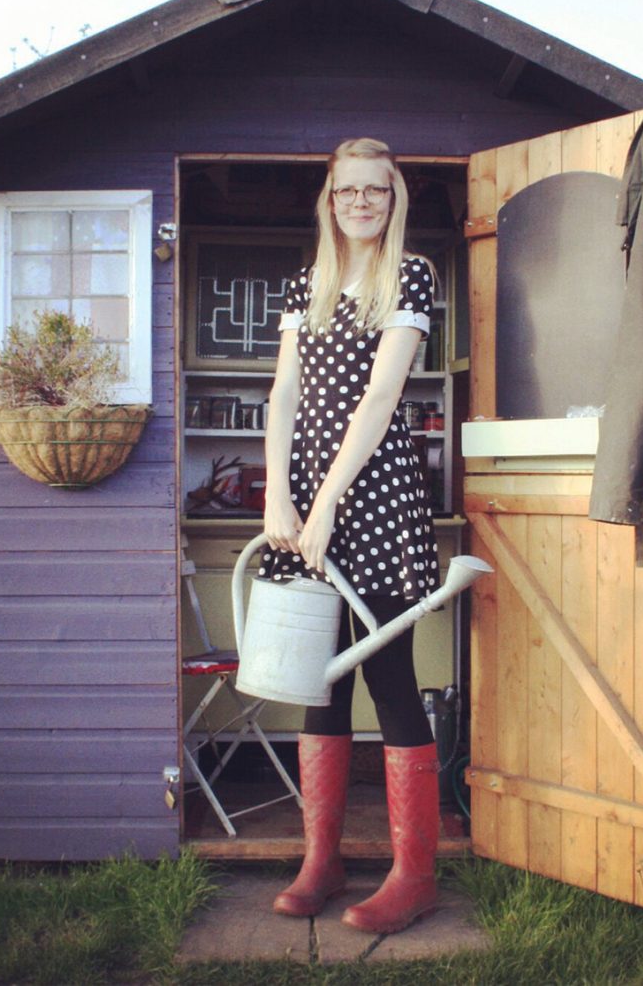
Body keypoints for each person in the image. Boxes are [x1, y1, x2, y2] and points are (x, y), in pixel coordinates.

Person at [259, 137, 441, 935]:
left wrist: (328, 499)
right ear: (329, 202)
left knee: (388, 671)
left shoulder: (412, 273)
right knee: (316, 672)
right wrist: (278, 496)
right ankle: (321, 860)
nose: (360, 202)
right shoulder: (309, 282)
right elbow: (284, 393)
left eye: (375, 190)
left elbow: (378, 400)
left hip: (371, 497)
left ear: (393, 199)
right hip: (305, 500)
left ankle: (414, 875)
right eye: (347, 192)